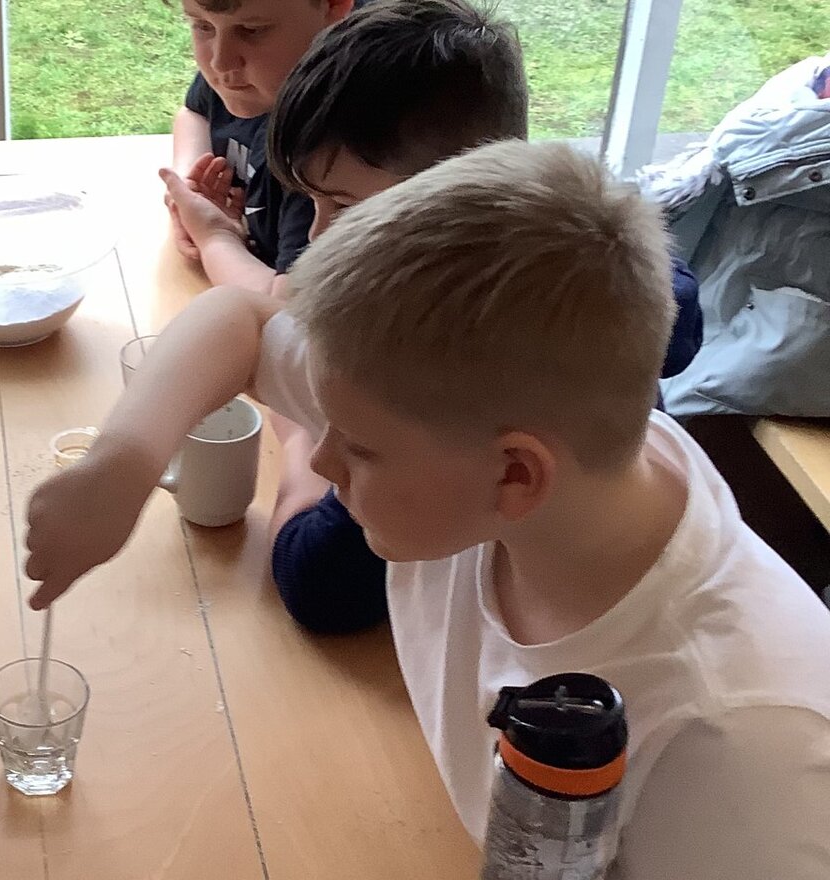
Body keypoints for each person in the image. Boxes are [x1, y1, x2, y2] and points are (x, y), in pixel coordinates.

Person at [28, 137, 830, 876]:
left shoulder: (738, 747)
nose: (322, 458)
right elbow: (240, 318)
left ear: (516, 476)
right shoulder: (491, 436)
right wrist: (122, 464)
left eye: (360, 450)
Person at [158, 0, 702, 634]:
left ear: (449, 191)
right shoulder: (563, 264)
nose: (317, 237)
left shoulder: (443, 367)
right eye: (312, 204)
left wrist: (304, 434)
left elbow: (320, 582)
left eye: (344, 206)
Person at [163, 0, 355, 297]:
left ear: (333, 6)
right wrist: (189, 190)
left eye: (252, 30)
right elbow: (194, 113)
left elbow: (288, 303)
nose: (219, 63)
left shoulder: (330, 141)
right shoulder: (253, 76)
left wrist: (214, 236)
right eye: (202, 26)